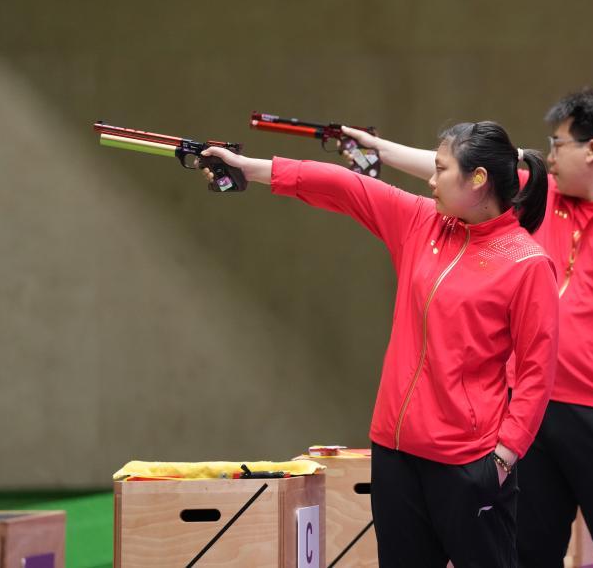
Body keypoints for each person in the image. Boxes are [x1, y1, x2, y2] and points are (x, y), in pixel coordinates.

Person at [339, 88, 593, 567]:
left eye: (557, 143)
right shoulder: (543, 197)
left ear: (591, 150)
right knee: (529, 552)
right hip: (534, 413)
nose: (547, 155)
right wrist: (377, 149)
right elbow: (459, 172)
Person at [201, 121, 559, 568]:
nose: (430, 180)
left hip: (469, 463)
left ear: (478, 179)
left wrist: (504, 456)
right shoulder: (420, 223)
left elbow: (535, 371)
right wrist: (251, 169)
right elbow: (346, 186)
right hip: (395, 454)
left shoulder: (527, 263)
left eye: (441, 169)